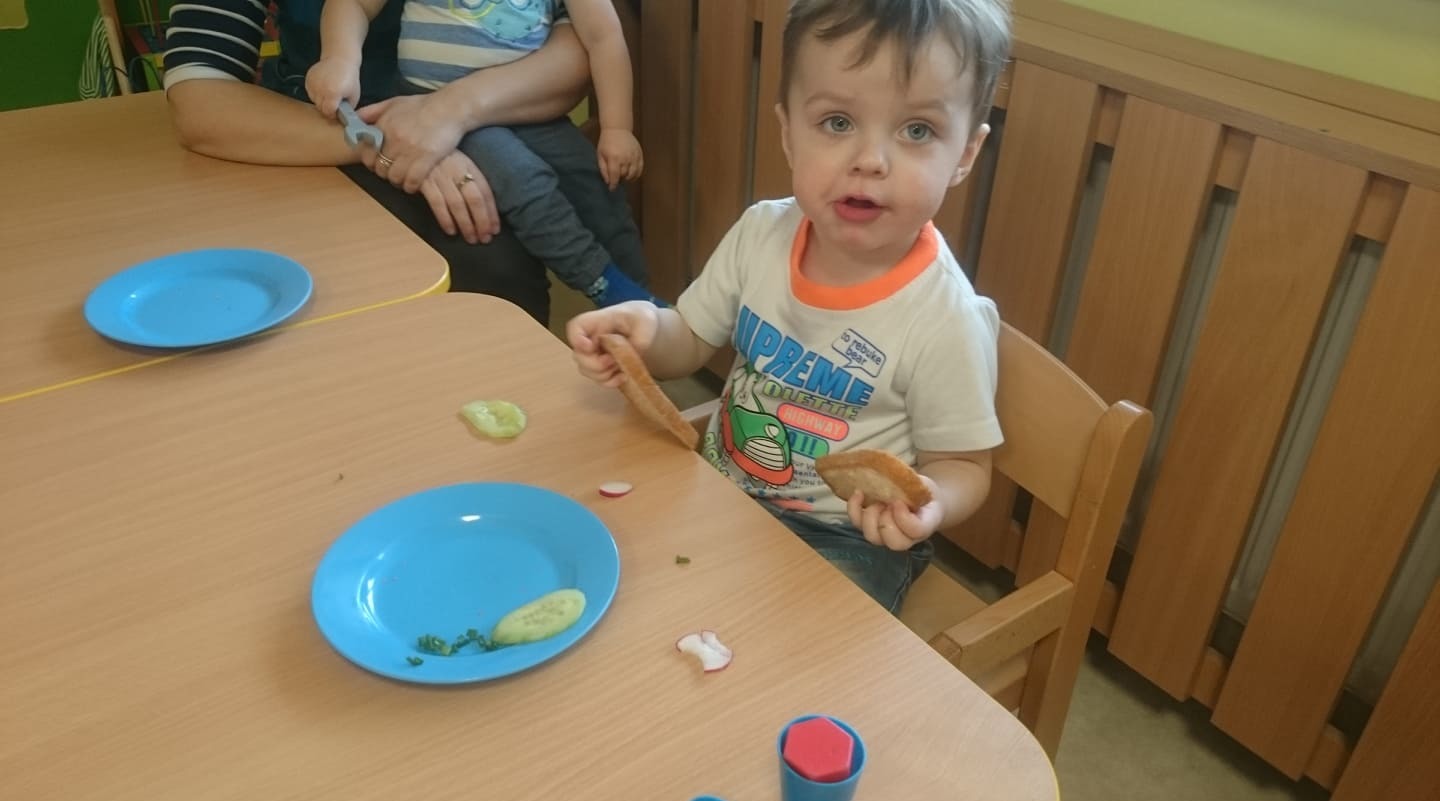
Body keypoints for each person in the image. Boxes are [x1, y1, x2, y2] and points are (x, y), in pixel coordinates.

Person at [566, 0, 1012, 612]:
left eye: (917, 131)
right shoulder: (761, 235)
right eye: (837, 122)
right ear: (787, 132)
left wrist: (931, 501)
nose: (870, 160)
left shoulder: (946, 318)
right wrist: (646, 330)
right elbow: (688, 341)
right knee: (612, 561)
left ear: (964, 154)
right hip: (721, 483)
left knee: (800, 640)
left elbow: (964, 465)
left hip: (844, 536)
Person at [162, 0, 596, 324]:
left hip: (481, 128)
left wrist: (450, 112)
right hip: (317, 137)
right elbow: (200, 101)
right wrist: (384, 142)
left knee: (494, 271)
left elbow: (580, 51)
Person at [307, 0, 661, 308]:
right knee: (524, 184)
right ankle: (601, 282)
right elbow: (355, 4)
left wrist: (617, 128)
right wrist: (340, 58)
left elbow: (604, 37)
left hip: (528, 107)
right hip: (434, 113)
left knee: (594, 183)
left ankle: (645, 307)